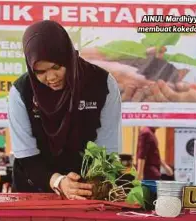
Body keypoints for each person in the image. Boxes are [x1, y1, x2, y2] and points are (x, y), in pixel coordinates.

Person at [7, 20, 122, 200]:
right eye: (40, 72)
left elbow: (106, 150)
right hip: (33, 190)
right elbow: (26, 156)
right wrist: (59, 181)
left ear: (68, 56)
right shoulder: (21, 92)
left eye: (56, 67)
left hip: (83, 190)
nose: (51, 77)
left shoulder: (102, 84)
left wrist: (95, 181)